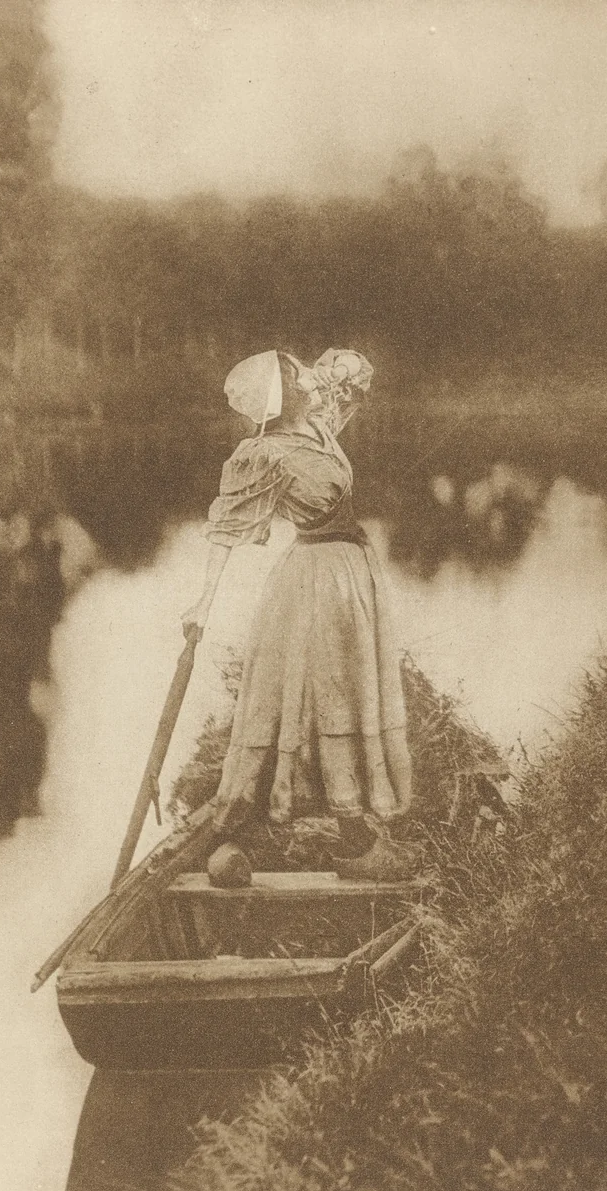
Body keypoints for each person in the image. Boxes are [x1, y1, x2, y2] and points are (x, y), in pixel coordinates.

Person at [181, 348, 416, 880]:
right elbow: (227, 530)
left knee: (347, 692)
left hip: (350, 575)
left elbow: (358, 379)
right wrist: (204, 601)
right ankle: (351, 841)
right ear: (283, 393)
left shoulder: (317, 427)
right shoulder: (264, 453)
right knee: (328, 693)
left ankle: (346, 833)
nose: (308, 373)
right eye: (295, 372)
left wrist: (343, 368)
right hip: (315, 583)